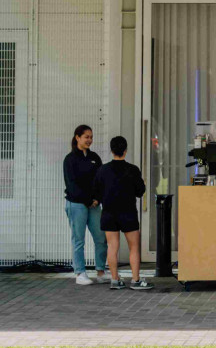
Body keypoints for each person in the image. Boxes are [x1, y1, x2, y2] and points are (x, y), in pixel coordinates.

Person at [94, 135, 151, 291]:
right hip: (128, 213)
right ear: (125, 150)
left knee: (112, 247)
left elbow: (97, 192)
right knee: (134, 247)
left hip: (108, 213)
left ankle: (114, 279)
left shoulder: (102, 170)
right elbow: (140, 191)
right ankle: (135, 280)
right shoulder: (132, 170)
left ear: (112, 150)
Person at [62, 124, 108, 285]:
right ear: (77, 137)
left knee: (101, 237)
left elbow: (101, 180)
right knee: (78, 239)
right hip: (76, 205)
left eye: (91, 137)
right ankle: (80, 273)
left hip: (94, 205)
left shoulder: (95, 157)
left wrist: (97, 199)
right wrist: (88, 200)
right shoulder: (70, 159)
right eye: (86, 137)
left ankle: (101, 271)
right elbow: (72, 185)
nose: (90, 140)